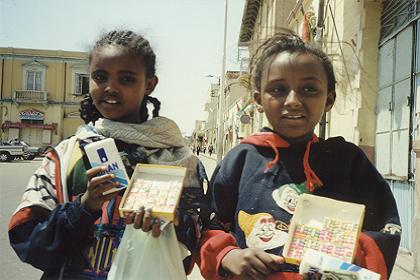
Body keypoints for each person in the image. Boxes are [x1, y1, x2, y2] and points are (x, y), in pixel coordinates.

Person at [198, 30, 401, 280]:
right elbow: (209, 225)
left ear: (329, 100)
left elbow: (384, 228)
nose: (293, 100)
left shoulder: (349, 162)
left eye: (308, 89)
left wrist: (346, 257)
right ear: (259, 100)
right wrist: (228, 255)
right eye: (278, 89)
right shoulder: (241, 159)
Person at [8, 30, 207, 279]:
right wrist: (83, 207)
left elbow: (198, 240)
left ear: (149, 84)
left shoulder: (180, 160)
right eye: (100, 77)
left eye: (126, 79)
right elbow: (27, 241)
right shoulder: (64, 157)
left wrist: (170, 222)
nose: (111, 88)